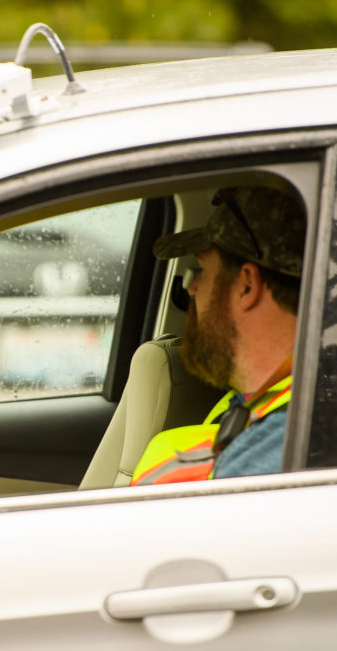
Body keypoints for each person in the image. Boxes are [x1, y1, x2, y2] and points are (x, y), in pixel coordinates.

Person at [129, 185, 305, 484]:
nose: (192, 287)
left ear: (247, 285)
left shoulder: (275, 447)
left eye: (201, 270)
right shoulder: (264, 403)